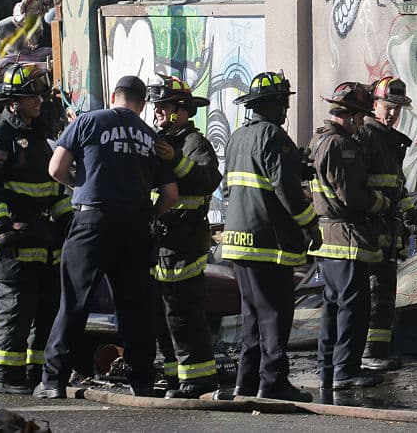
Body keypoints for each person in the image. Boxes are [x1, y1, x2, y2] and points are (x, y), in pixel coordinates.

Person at [35, 75, 178, 398]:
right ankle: (141, 381)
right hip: (136, 225)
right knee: (134, 305)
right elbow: (170, 194)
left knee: (74, 300)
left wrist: (79, 186)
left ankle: (53, 381)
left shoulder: (88, 121)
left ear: (114, 95)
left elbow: (56, 168)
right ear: (142, 105)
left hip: (92, 220)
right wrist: (149, 216)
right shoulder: (150, 136)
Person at [0, 64, 71, 394]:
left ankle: (34, 373)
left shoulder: (39, 140)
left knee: (45, 311)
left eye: (40, 95)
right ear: (13, 101)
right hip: (15, 242)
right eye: (32, 95)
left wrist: (69, 222)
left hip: (44, 242)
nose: (39, 101)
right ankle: (5, 376)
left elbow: (54, 190)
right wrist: (1, 227)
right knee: (15, 310)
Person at [221, 71, 316, 403]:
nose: (286, 110)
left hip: (237, 243)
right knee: (275, 314)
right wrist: (311, 226)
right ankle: (273, 381)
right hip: (267, 244)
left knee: (252, 316)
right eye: (284, 103)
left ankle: (245, 383)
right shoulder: (275, 137)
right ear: (274, 104)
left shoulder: (236, 137)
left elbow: (229, 187)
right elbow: (288, 194)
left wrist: (293, 167)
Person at [145, 74, 222, 399]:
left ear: (182, 110)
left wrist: (174, 160)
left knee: (183, 311)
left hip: (185, 241)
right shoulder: (158, 141)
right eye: (156, 105)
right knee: (162, 314)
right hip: (158, 241)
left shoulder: (194, 143)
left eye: (164, 106)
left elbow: (207, 179)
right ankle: (175, 377)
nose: (158, 111)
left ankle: (199, 379)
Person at [309, 82, 388, 390]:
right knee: (354, 307)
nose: (361, 124)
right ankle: (346, 370)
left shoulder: (318, 139)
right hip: (346, 238)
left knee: (332, 304)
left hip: (327, 237)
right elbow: (351, 196)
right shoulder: (343, 145)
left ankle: (328, 368)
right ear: (353, 116)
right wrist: (380, 202)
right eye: (361, 118)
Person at [357, 77, 417, 373]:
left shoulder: (389, 139)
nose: (393, 114)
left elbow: (399, 186)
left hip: (388, 230)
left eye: (397, 109)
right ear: (374, 105)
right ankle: (369, 353)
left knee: (385, 292)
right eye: (388, 107)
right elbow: (356, 188)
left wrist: (412, 218)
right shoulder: (366, 137)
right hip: (370, 231)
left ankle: (378, 352)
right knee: (374, 293)